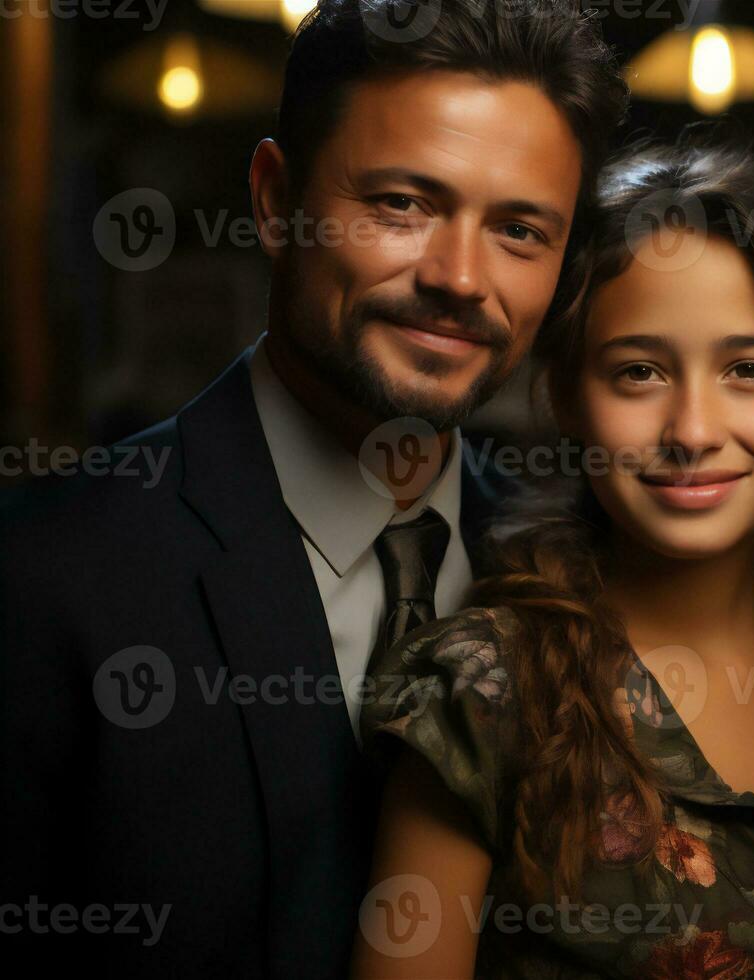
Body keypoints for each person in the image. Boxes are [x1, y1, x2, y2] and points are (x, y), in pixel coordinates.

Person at [0, 1, 625, 975]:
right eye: (403, 204)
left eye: (518, 228)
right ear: (274, 199)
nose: (461, 277)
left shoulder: (576, 574)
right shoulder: (46, 579)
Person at [350, 142, 754, 978]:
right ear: (568, 395)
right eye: (639, 372)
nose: (692, 430)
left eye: (747, 369)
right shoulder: (483, 691)